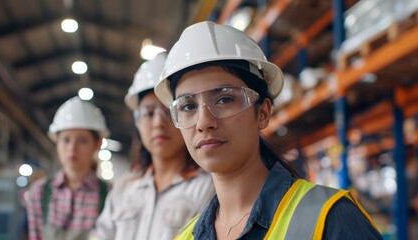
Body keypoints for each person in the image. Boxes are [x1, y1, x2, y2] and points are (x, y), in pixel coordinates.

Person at [154, 21, 383, 239]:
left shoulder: (330, 218)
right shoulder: (186, 237)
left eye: (224, 99)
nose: (204, 122)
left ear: (263, 112)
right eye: (188, 106)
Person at [88, 52, 215, 240]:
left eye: (167, 111)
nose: (158, 123)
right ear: (137, 123)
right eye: (148, 113)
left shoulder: (206, 187)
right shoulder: (124, 188)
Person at [25, 96, 110, 240]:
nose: (72, 148)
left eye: (82, 140)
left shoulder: (111, 196)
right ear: (56, 142)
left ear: (97, 144)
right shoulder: (38, 193)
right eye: (66, 140)